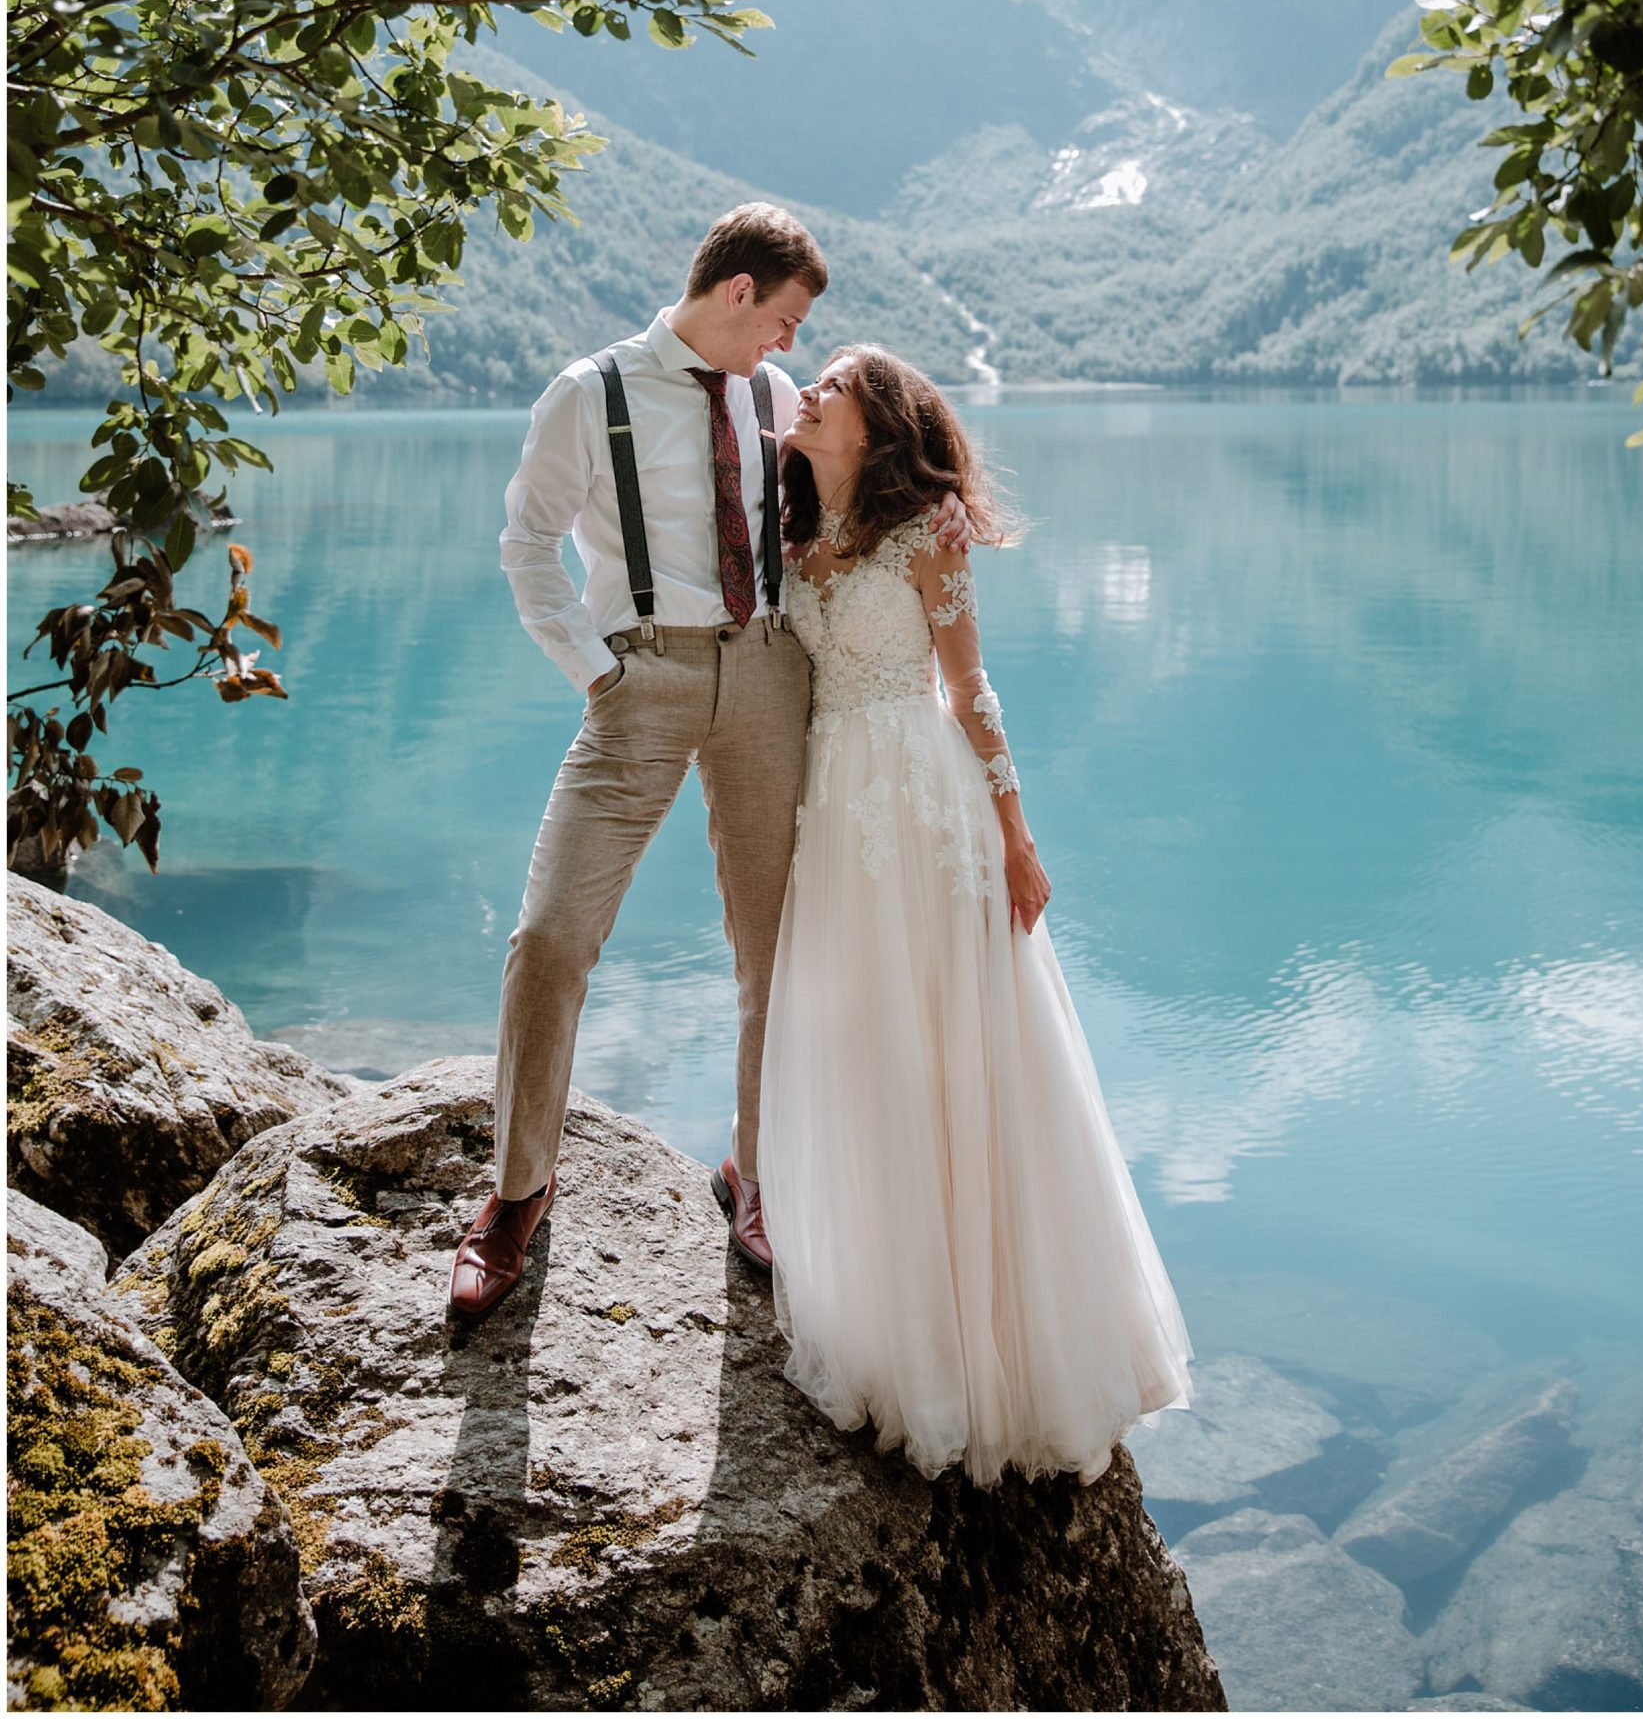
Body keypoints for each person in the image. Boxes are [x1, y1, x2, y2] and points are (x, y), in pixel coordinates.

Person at [449, 208, 968, 1320]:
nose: (789, 346)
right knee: (549, 933)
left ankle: (757, 1173)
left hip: (772, 672)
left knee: (774, 944)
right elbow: (526, 542)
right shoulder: (586, 394)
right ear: (736, 292)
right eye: (782, 319)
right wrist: (593, 669)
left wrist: (943, 512)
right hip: (640, 676)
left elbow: (853, 505)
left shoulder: (777, 401)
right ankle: (515, 1191)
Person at [758, 345, 1193, 1484]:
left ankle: (1000, 1353)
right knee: (865, 1062)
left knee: (955, 1064)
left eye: (834, 384)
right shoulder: (792, 533)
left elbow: (969, 689)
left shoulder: (925, 538)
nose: (807, 389)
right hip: (834, 822)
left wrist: (1015, 832)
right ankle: (895, 1325)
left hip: (924, 814)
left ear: (876, 421)